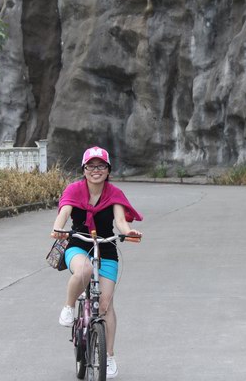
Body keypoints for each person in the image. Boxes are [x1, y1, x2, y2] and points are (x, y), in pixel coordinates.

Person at [51, 146, 143, 379]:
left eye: (101, 166)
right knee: (84, 270)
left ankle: (109, 356)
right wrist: (58, 229)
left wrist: (129, 231)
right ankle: (69, 307)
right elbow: (63, 214)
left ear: (108, 170)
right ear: (84, 169)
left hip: (106, 246)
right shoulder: (74, 190)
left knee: (105, 305)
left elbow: (120, 222)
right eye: (91, 166)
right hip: (78, 244)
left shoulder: (114, 194)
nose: (96, 170)